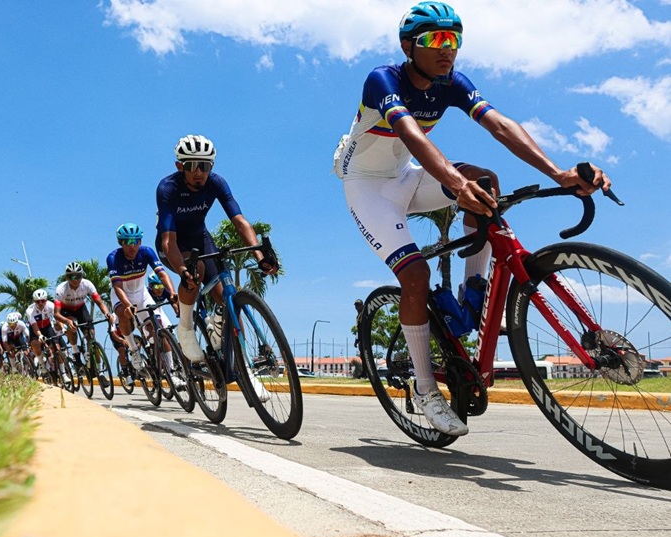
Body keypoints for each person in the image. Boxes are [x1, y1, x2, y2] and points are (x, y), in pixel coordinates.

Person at [333, 2, 611, 435]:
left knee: (487, 181)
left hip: (406, 176)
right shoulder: (383, 79)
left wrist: (558, 173)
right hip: (367, 188)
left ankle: (472, 289)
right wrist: (454, 183)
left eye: (454, 40)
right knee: (416, 275)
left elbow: (499, 125)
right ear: (409, 46)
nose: (448, 50)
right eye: (435, 40)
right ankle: (425, 390)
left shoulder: (453, 83)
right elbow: (407, 131)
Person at [155, 134, 277, 366]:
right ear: (180, 166)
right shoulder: (167, 188)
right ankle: (186, 329)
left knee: (227, 299)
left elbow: (240, 222)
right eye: (192, 166)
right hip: (173, 242)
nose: (199, 172)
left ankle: (243, 369)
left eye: (205, 165)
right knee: (196, 267)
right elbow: (168, 242)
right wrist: (182, 270)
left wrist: (259, 255)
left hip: (200, 238)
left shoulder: (216, 183)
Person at [107, 223, 182, 386]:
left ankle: (171, 372)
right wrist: (127, 305)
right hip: (121, 295)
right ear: (121, 243)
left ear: (140, 242)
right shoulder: (113, 258)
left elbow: (162, 274)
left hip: (142, 294)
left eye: (136, 241)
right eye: (127, 241)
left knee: (159, 329)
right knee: (123, 314)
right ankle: (134, 350)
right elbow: (117, 287)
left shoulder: (146, 252)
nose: (132, 246)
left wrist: (172, 293)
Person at [54, 261, 114, 371]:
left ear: (82, 276)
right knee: (72, 325)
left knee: (91, 336)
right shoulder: (61, 289)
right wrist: (67, 322)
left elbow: (99, 302)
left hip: (80, 309)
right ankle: (75, 352)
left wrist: (107, 313)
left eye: (78, 276)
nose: (75, 279)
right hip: (67, 311)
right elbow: (56, 314)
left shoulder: (87, 284)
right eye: (71, 276)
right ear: (67, 278)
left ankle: (100, 370)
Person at [26, 288, 70, 384]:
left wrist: (62, 328)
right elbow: (34, 327)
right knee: (35, 343)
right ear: (34, 301)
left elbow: (57, 318)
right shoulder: (30, 310)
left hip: (47, 327)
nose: (40, 303)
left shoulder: (50, 305)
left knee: (58, 349)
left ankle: (63, 374)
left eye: (43, 301)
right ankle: (42, 365)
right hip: (36, 329)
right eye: (38, 301)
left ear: (46, 300)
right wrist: (40, 336)